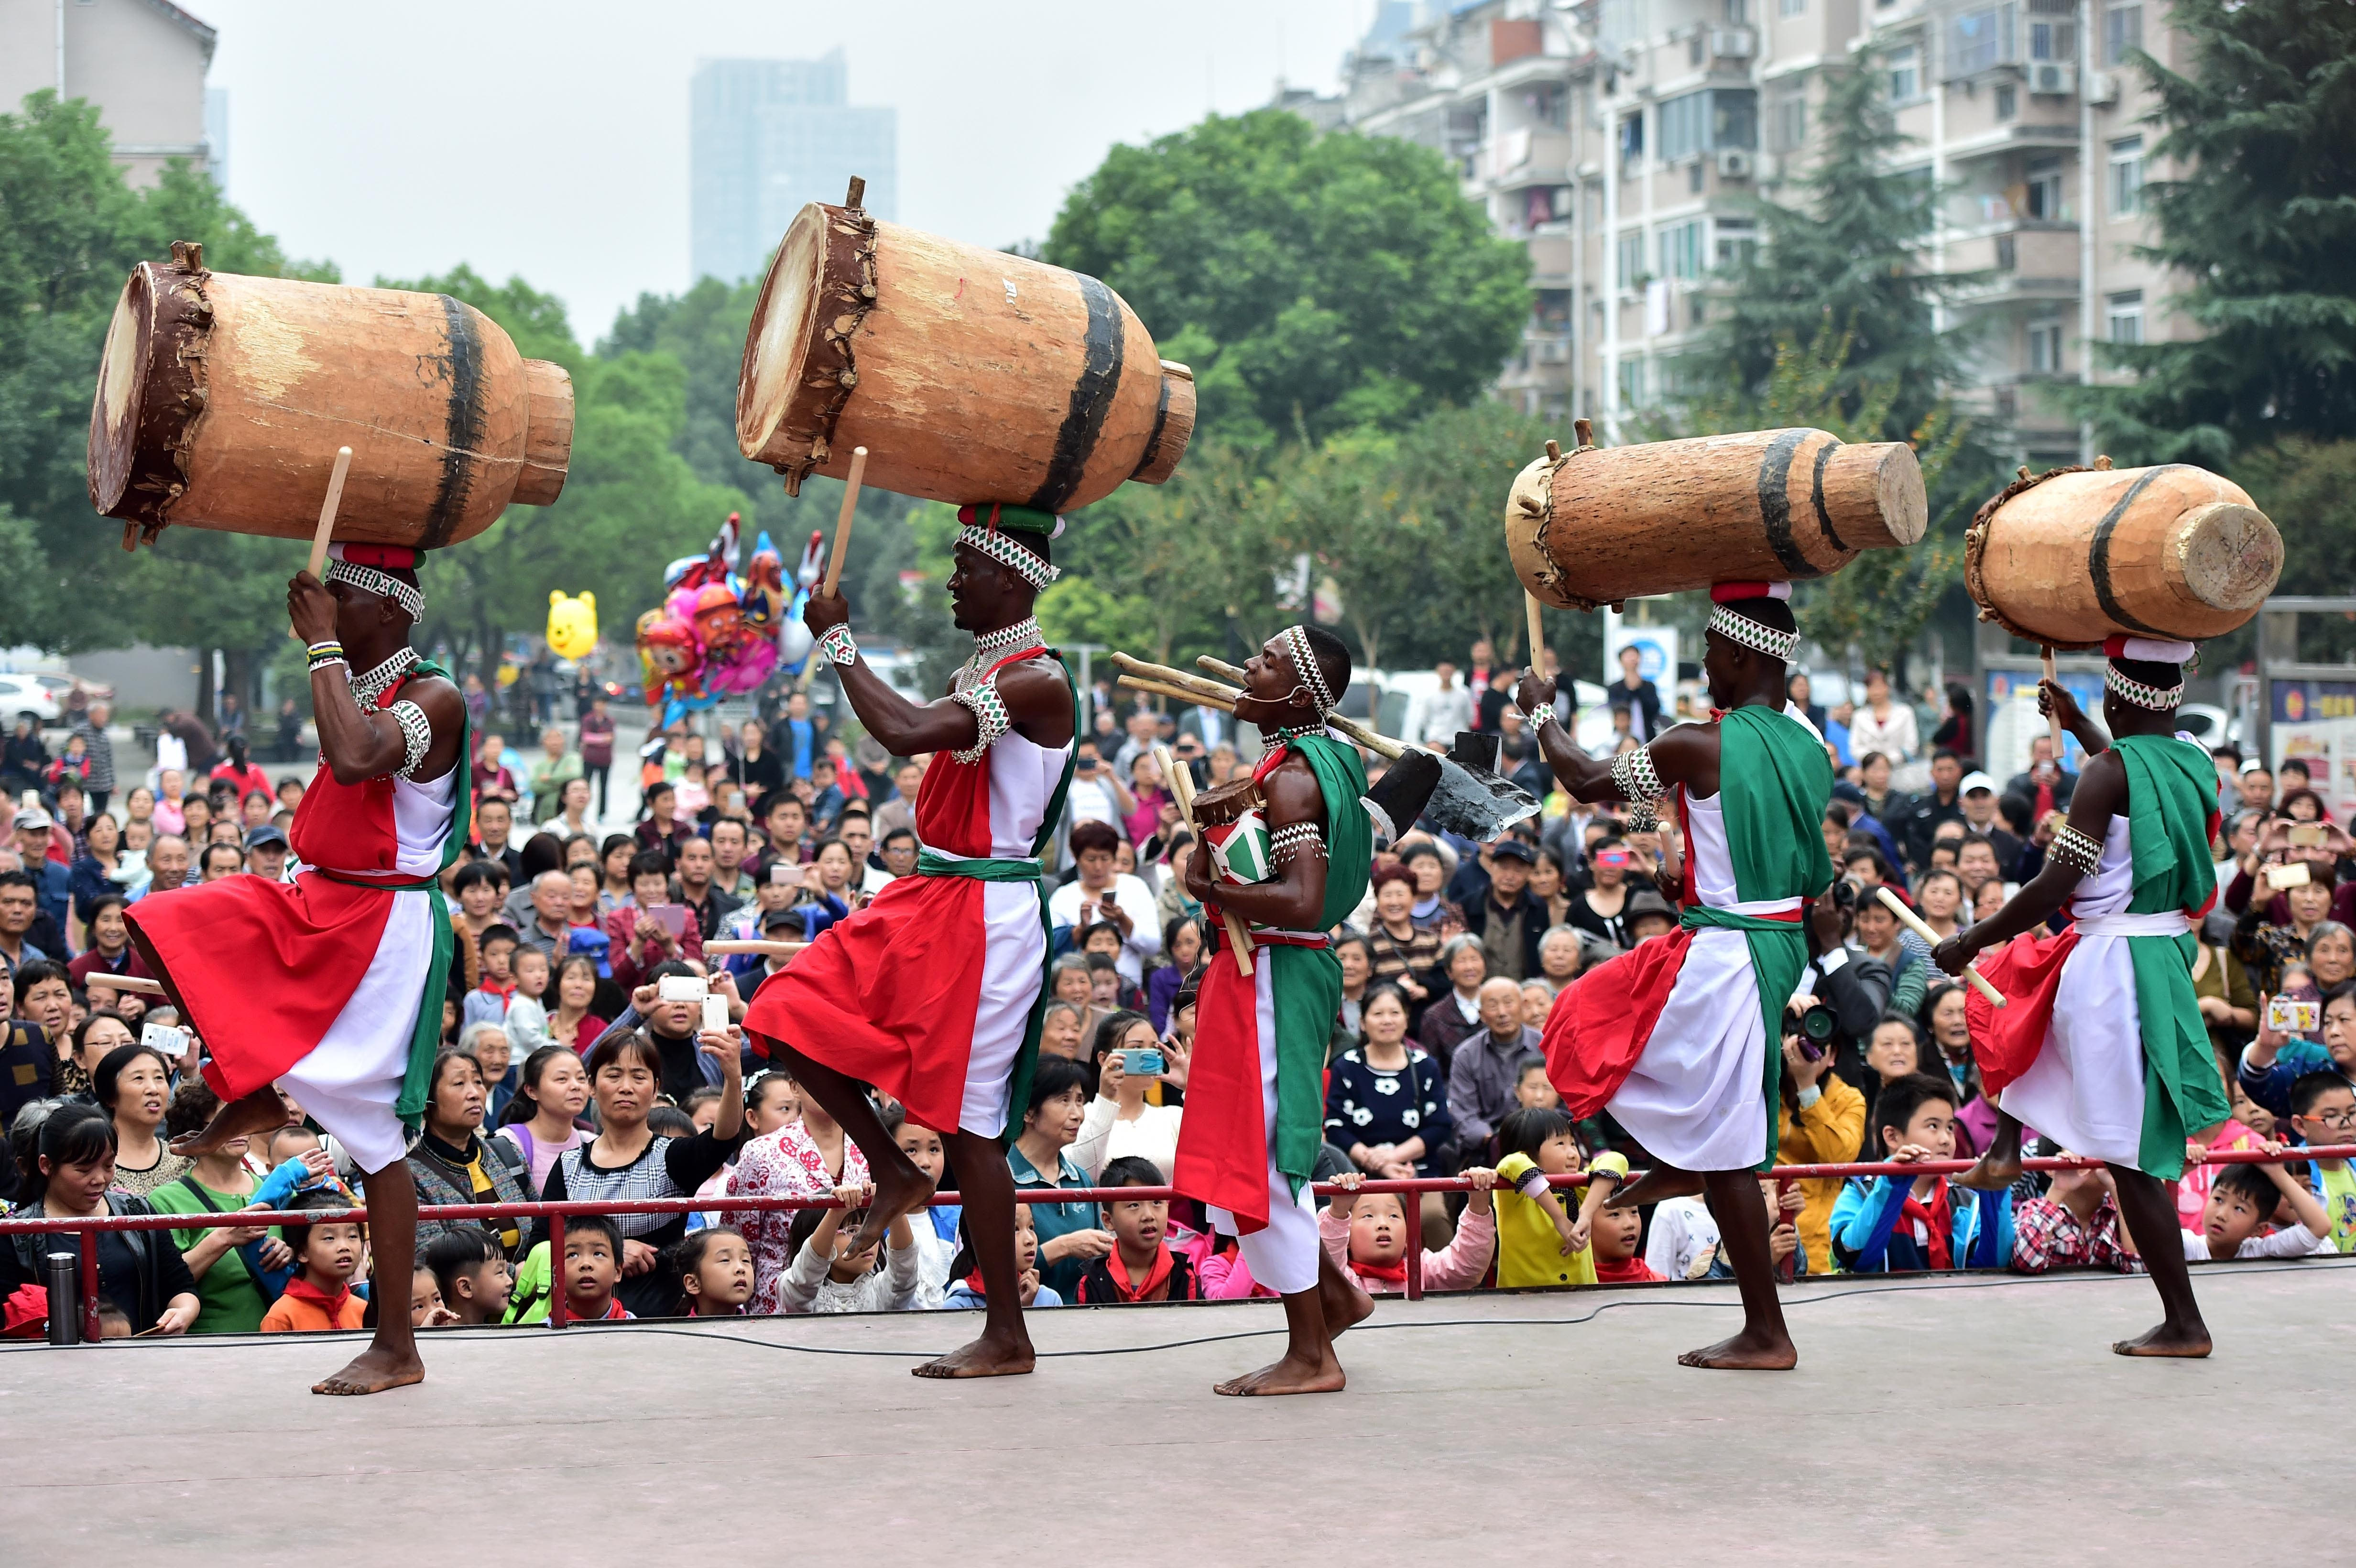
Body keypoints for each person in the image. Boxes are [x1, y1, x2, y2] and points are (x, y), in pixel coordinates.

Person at [742, 504, 1076, 1380]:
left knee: (970, 1133)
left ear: (1013, 577)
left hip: (987, 915)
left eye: (967, 566)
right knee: (782, 1014)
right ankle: (891, 1164)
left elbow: (899, 732)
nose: (953, 580)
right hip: (931, 896)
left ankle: (1007, 1332)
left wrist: (840, 643)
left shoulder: (1036, 678)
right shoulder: (989, 666)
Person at [123, 544, 464, 1394]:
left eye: (339, 598)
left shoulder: (435, 696)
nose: (321, 606)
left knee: (379, 1143)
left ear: (387, 612)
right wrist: (325, 651)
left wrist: (316, 650)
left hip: (384, 925)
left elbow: (354, 759)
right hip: (315, 901)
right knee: (164, 922)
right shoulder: (359, 681)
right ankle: (265, 1082)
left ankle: (397, 1347)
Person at [1519, 581, 1830, 1370]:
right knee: (1628, 1036)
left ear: (1734, 654)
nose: (1702, 670)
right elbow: (1782, 867)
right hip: (1769, 940)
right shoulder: (1809, 746)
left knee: (1584, 1023)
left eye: (1705, 655)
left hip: (1728, 954)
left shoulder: (1701, 740)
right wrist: (1694, 884)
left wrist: (1538, 717)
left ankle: (1765, 1330)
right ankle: (1680, 1162)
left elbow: (1589, 781)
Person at [1933, 637, 2234, 1356]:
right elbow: (2140, 778)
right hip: (2153, 955)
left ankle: (2185, 1323)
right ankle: (2008, 1145)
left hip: (2113, 966)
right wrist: (2078, 726)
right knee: (2018, 995)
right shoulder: (2191, 759)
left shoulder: (2105, 775)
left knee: (2128, 1159)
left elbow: (2051, 888)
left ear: (2119, 695)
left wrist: (1968, 939)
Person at [1170, 623, 1385, 1398]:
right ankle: (1334, 1298)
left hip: (1279, 973)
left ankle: (1311, 1356)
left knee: (1268, 1162)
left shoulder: (1294, 775)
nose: (1245, 668)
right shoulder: (1296, 763)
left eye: (1262, 661)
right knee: (1247, 1153)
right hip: (1259, 969)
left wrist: (1211, 892)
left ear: (1296, 694)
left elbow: (1297, 897)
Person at [536, 1022, 746, 1318]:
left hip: (662, 1318)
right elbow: (539, 1246)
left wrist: (733, 1077)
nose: (626, 1087)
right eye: (614, 1075)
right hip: (581, 1322)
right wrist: (614, 1250)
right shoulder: (569, 1166)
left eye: (639, 1077)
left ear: (656, 1087)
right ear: (593, 1087)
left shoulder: (672, 1156)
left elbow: (722, 1139)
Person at [1829, 1072, 2011, 1271]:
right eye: (1933, 1126)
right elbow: (1857, 1256)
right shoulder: (1859, 1193)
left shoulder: (1965, 1201)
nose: (1946, 1139)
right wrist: (1893, 1185)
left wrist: (1995, 1195)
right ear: (1892, 1137)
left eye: (1950, 1128)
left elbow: (1994, 1263)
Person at [405, 1051, 534, 1262]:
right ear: (427, 1099)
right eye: (459, 1083)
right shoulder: (411, 1175)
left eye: (478, 1082)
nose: (474, 1093)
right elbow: (431, 1258)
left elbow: (541, 1228)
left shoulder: (507, 1153)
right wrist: (512, 1274)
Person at [1319, 1167, 1496, 1295]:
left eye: (1394, 1216)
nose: (1383, 1224)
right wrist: (1338, 1212)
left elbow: (1466, 1268)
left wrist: (1479, 1203)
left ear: (1407, 1236)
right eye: (1368, 1216)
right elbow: (1323, 1267)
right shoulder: (1342, 1279)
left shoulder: (1422, 1268)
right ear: (1346, 1237)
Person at [1069, 1011, 1187, 1181]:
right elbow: (1083, 1175)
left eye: (1154, 1047)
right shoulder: (1080, 1117)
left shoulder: (1173, 1117)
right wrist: (1106, 1099)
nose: (1149, 1056)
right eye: (1137, 1048)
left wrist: (1192, 1088)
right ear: (1104, 1059)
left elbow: (1214, 1154)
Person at [1073, 1154, 1204, 1304]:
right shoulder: (1092, 1283)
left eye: (1157, 1202)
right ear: (1108, 1221)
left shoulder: (1186, 1278)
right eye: (1134, 1205)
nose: (1149, 1216)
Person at [2181, 1157, 2333, 1260]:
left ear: (2259, 1229)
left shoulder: (2260, 1252)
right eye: (2219, 1199)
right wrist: (2182, 1171)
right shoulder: (2187, 1246)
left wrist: (2277, 1172)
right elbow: (2157, 1225)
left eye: (2239, 1209)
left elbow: (2320, 1227)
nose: (2221, 1215)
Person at [94, 1039, 189, 1199]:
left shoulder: (182, 1160)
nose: (153, 1089)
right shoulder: (95, 1163)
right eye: (138, 1078)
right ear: (110, 1096)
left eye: (159, 1078)